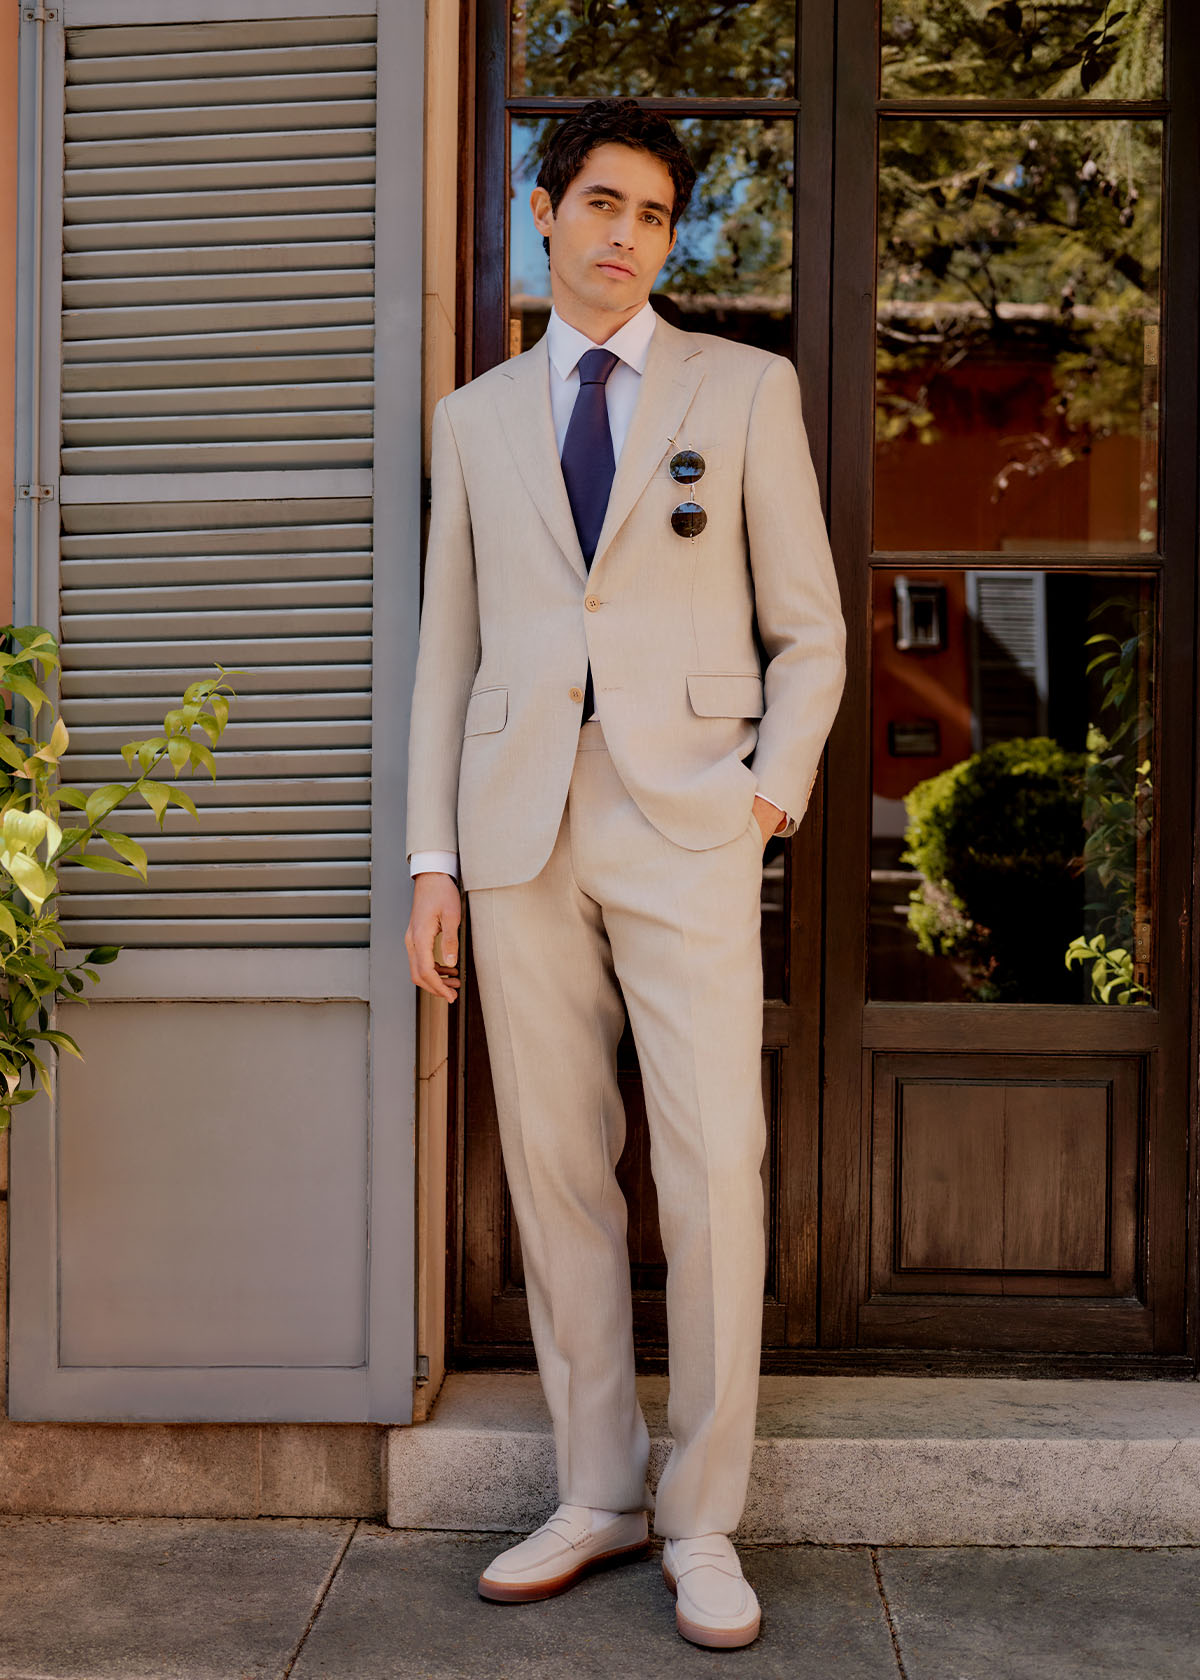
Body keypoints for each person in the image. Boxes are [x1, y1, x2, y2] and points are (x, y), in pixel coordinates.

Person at [405, 96, 846, 1651]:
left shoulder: (744, 391)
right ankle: (593, 1489)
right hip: (518, 827)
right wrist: (434, 862)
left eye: (655, 216)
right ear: (543, 209)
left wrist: (766, 801)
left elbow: (812, 629)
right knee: (554, 1168)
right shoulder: (473, 420)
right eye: (602, 203)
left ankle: (702, 1519)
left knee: (714, 1165)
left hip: (690, 823)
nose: (625, 236)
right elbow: (445, 650)